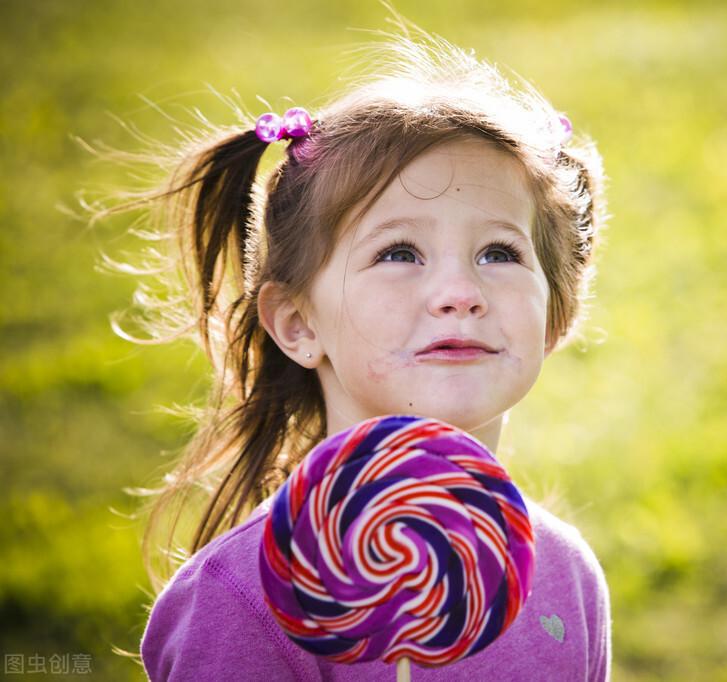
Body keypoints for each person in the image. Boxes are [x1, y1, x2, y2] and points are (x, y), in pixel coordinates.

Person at [126, 28, 610, 681]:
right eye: (398, 254)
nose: (459, 293)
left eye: (499, 253)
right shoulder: (244, 600)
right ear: (298, 324)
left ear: (556, 313)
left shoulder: (566, 576)